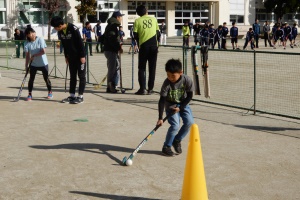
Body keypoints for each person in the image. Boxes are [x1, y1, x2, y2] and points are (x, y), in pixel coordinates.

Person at [157, 58, 194, 156]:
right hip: (170, 106)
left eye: (173, 75)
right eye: (168, 75)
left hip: (183, 104)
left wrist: (181, 107)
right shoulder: (166, 83)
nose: (170, 78)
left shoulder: (187, 80)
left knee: (190, 122)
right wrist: (160, 118)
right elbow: (162, 100)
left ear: (181, 72)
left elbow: (190, 96)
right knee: (175, 125)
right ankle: (166, 146)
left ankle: (177, 140)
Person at [51, 16, 86, 104]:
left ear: (59, 25)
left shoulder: (73, 29)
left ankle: (80, 96)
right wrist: (66, 56)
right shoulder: (61, 32)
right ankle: (72, 95)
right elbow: (65, 45)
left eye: (55, 27)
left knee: (81, 76)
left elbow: (80, 43)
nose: (55, 29)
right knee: (72, 76)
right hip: (71, 57)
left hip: (79, 57)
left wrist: (82, 56)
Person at [133, 5, 160, 95]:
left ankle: (142, 89)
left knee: (142, 68)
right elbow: (158, 33)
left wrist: (139, 42)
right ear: (146, 11)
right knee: (152, 68)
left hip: (144, 46)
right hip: (153, 46)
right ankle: (150, 89)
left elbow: (135, 34)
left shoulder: (137, 21)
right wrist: (157, 44)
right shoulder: (154, 19)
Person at [24, 27, 52, 101]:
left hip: (43, 63)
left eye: (34, 32)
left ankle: (50, 91)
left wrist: (34, 55)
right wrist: (26, 66)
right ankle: (29, 94)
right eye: (31, 33)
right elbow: (27, 56)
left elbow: (43, 51)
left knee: (46, 78)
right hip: (33, 64)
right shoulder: (26, 43)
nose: (33, 34)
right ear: (28, 35)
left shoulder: (40, 39)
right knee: (31, 79)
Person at [103, 11, 124, 93]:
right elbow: (112, 39)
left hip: (110, 50)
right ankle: (110, 87)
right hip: (110, 50)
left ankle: (113, 85)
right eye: (120, 17)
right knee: (112, 69)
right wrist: (119, 47)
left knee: (115, 67)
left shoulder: (112, 25)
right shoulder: (112, 26)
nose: (121, 18)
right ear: (117, 17)